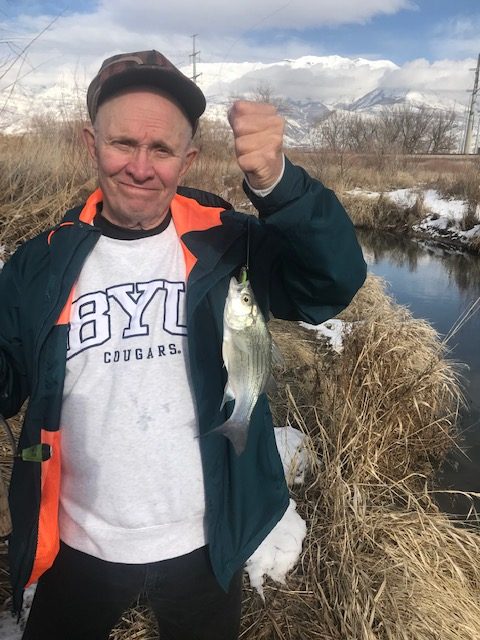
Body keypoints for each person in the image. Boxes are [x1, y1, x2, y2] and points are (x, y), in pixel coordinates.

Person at [0, 50, 366, 639]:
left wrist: (279, 185)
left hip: (205, 541)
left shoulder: (228, 242)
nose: (140, 168)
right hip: (78, 540)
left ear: (188, 157)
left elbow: (331, 283)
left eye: (162, 149)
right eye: (122, 144)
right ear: (89, 142)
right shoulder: (40, 262)